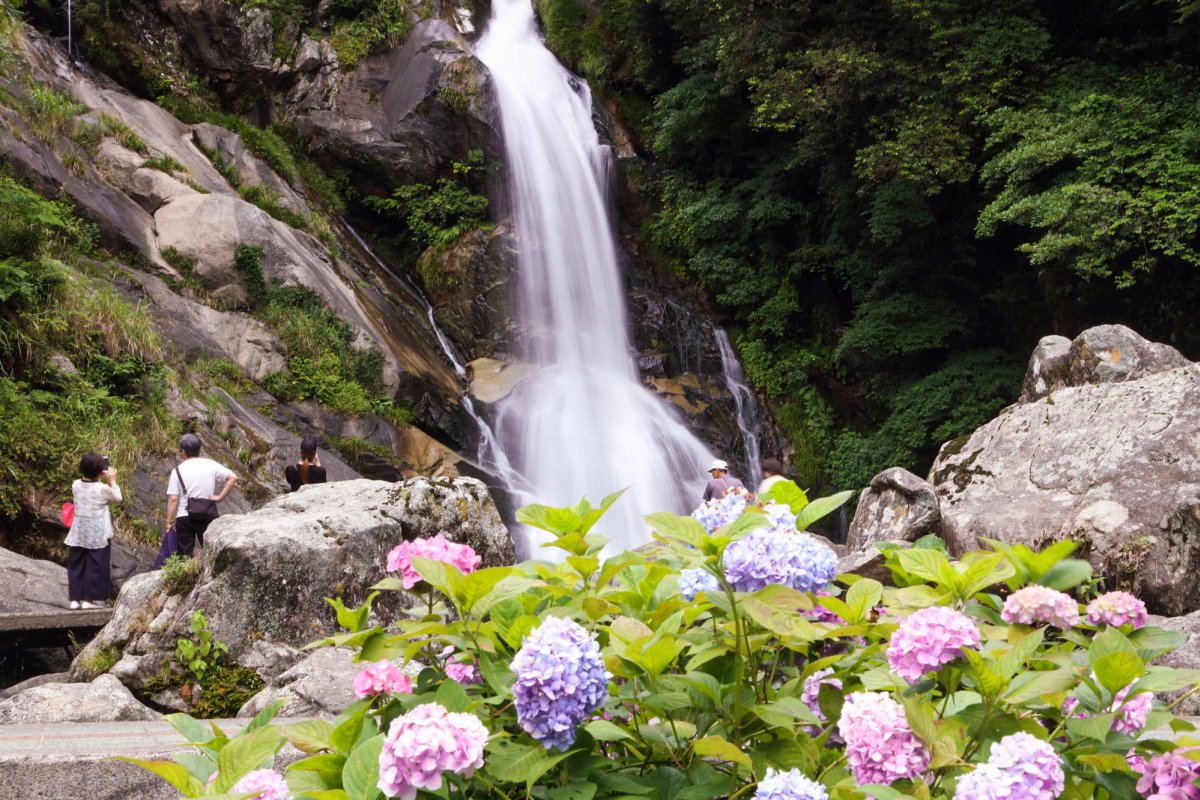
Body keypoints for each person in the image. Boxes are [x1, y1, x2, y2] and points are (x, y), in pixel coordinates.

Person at [166, 433, 238, 558]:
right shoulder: (211, 464)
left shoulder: (177, 471)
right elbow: (233, 477)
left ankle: (185, 570)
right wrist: (219, 497)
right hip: (206, 514)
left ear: (182, 452)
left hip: (185, 517)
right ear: (199, 449)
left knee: (184, 555)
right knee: (211, 552)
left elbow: (173, 499)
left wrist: (169, 522)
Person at [65, 452, 121, 609]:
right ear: (100, 471)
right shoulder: (103, 488)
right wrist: (112, 480)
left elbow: (89, 485)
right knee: (96, 566)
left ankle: (75, 600)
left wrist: (97, 475)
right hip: (98, 534)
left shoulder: (76, 485)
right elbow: (118, 498)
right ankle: (88, 601)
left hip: (78, 532)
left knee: (76, 565)